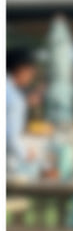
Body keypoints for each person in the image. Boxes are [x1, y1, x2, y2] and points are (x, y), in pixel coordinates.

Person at [6, 47, 39, 175]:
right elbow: (10, 138)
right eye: (30, 71)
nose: (32, 76)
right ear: (20, 69)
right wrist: (26, 154)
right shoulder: (14, 98)